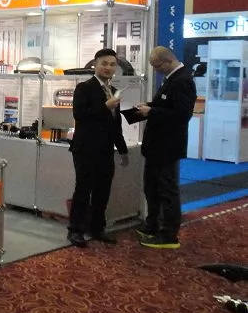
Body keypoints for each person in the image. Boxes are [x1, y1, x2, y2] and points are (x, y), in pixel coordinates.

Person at [134, 47, 196, 250]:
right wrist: (148, 107)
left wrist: (151, 112)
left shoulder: (182, 80)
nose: (156, 70)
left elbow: (182, 115)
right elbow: (166, 104)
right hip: (156, 146)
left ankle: (169, 234)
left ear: (168, 60)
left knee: (167, 191)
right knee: (151, 187)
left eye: (157, 66)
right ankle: (152, 225)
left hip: (168, 147)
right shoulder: (172, 78)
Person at [67, 48, 129, 248]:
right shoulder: (84, 88)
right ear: (95, 64)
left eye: (112, 64)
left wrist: (122, 149)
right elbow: (79, 115)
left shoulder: (113, 90)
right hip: (85, 149)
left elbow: (115, 123)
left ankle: (97, 228)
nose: (108, 68)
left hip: (105, 150)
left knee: (103, 191)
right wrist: (105, 106)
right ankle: (75, 230)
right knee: (83, 190)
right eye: (104, 64)